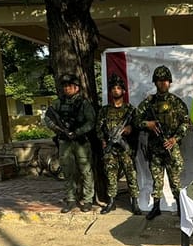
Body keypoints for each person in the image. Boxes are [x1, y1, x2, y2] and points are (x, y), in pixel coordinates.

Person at [138, 65, 190, 220]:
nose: (162, 83)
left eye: (165, 80)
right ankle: (156, 207)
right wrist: (148, 124)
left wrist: (175, 139)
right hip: (155, 148)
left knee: (175, 181)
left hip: (171, 147)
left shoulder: (176, 102)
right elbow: (135, 120)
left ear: (170, 82)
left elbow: (186, 123)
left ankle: (180, 208)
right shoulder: (148, 103)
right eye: (159, 81)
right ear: (155, 82)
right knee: (157, 180)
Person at [43, 73, 95, 213]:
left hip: (80, 142)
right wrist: (58, 129)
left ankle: (88, 199)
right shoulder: (58, 103)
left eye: (70, 86)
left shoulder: (84, 103)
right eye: (65, 86)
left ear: (77, 88)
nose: (67, 89)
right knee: (67, 171)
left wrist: (77, 132)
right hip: (65, 142)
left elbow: (91, 122)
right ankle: (71, 199)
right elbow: (47, 118)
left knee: (86, 171)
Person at [97, 74, 142, 215]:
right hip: (111, 149)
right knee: (111, 176)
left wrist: (130, 129)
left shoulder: (130, 110)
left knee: (131, 175)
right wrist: (104, 141)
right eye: (113, 89)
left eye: (119, 88)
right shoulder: (104, 110)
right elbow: (98, 128)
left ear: (123, 91)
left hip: (125, 149)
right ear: (110, 92)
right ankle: (111, 202)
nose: (116, 91)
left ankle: (135, 202)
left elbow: (139, 126)